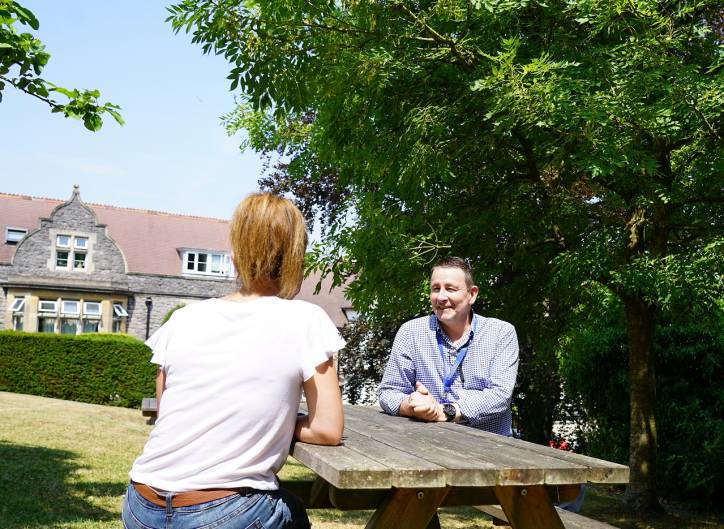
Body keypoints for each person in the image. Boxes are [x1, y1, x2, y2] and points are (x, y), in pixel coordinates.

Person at [122, 193, 345, 529]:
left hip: (142, 504)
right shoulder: (306, 320)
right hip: (225, 511)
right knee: (292, 512)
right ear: (295, 256)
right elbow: (328, 429)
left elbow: (167, 408)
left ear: (235, 252)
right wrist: (283, 422)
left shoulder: (183, 319)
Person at [377, 256, 518, 436]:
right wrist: (413, 405)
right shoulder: (411, 333)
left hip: (491, 450)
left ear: (472, 294)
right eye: (436, 289)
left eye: (450, 289)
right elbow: (389, 392)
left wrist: (445, 412)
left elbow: (500, 396)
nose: (441, 297)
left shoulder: (500, 333)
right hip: (430, 446)